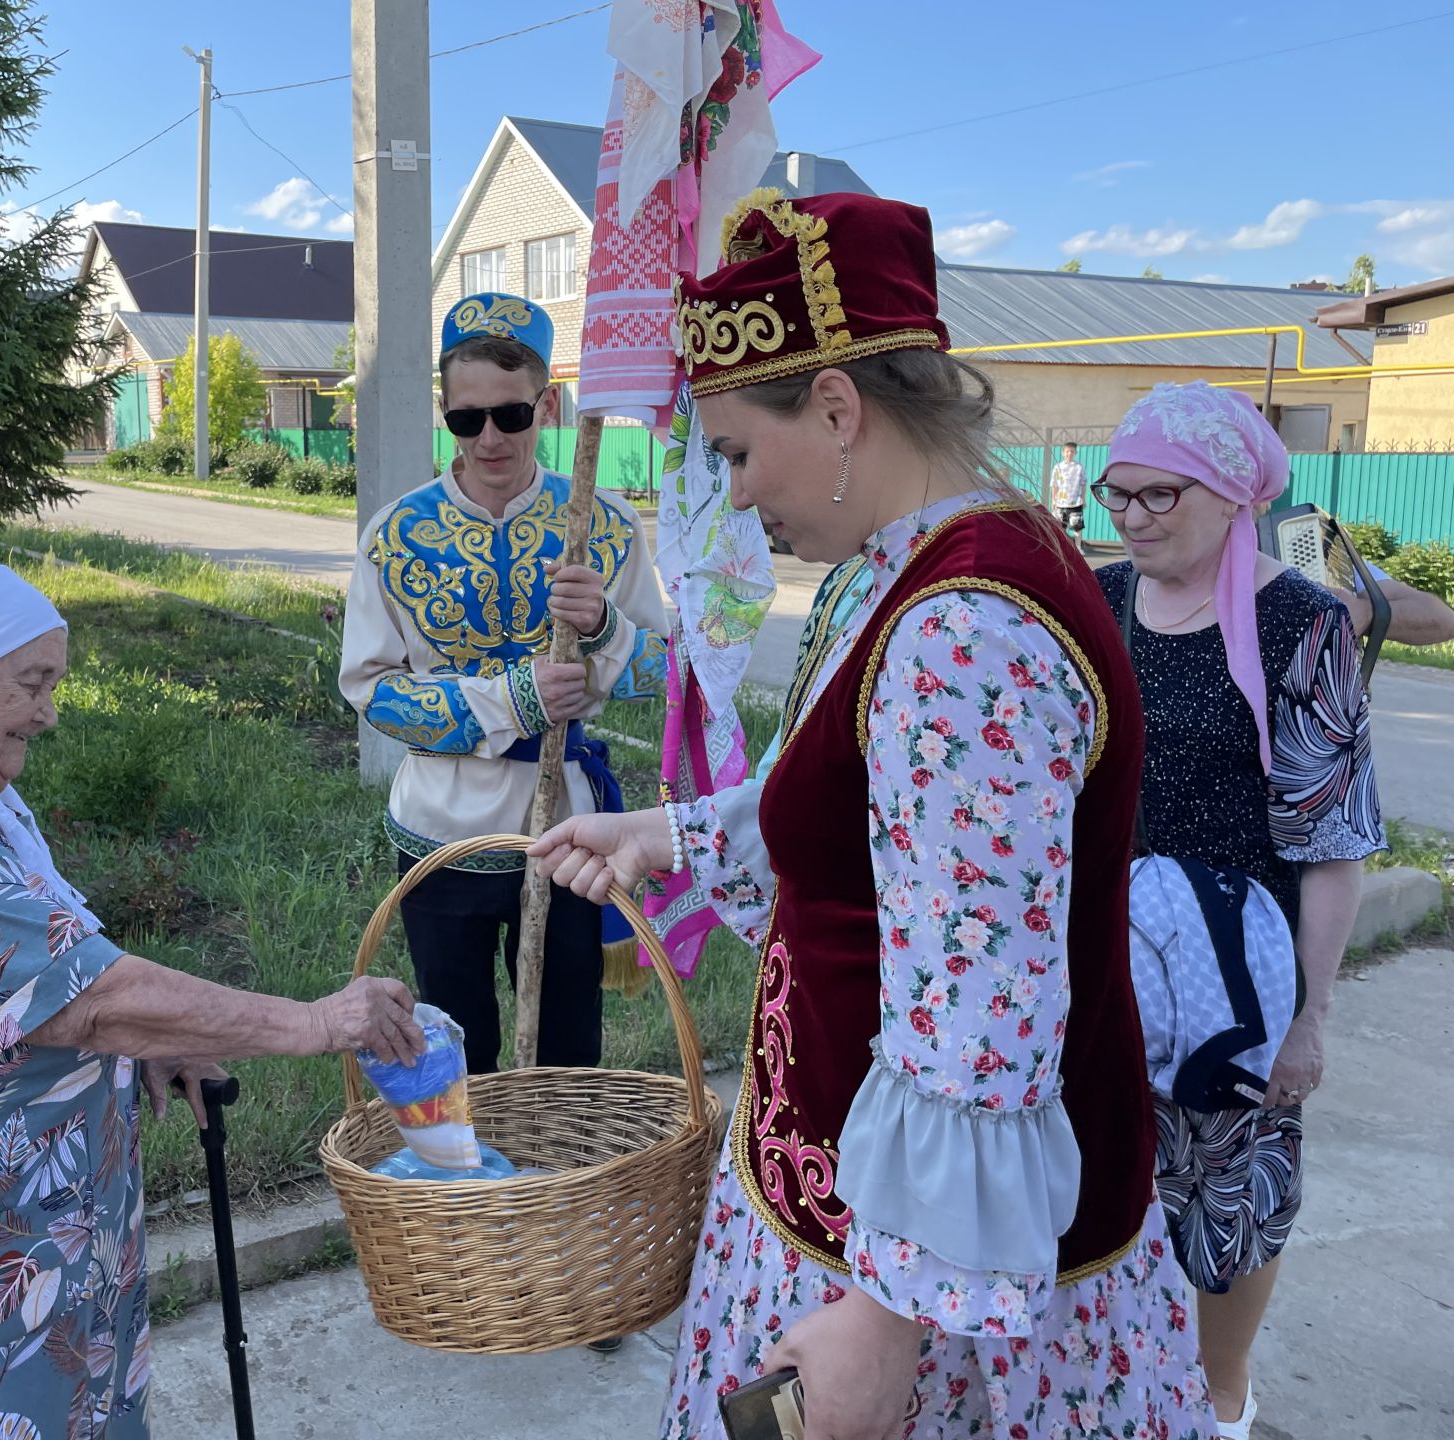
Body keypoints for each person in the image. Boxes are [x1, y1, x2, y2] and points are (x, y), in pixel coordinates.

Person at [533, 191, 1215, 1440]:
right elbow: (868, 816)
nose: (735, 498)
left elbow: (980, 1005)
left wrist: (889, 1315)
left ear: (839, 408)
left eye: (739, 452)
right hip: (851, 1185)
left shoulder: (964, 628)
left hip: (915, 1256)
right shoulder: (918, 564)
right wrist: (674, 835)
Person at [0, 548, 421, 1440]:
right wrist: (318, 1022)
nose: (48, 713)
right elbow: (88, 997)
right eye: (30, 682)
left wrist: (145, 1038)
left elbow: (21, 986)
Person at [1092, 382, 1382, 1439]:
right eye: (1114, 494)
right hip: (1101, 962)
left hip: (1236, 980)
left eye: (1156, 494)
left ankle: (1221, 1394)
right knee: (1104, 1178)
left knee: (1230, 1203)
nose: (1129, 515)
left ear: (1227, 493)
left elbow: (1335, 843)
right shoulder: (1101, 601)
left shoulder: (1301, 624)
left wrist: (1310, 1018)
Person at [338, 292, 666, 1077]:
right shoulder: (396, 534)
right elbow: (371, 688)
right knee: (455, 1049)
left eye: (511, 417)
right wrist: (511, 701)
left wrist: (603, 631)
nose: (489, 438)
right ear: (444, 411)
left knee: (563, 1049)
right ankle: (470, 1191)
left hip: (567, 835)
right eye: (466, 419)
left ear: (547, 406)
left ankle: (556, 1192)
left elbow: (666, 673)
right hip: (441, 834)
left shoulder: (605, 524)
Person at [1051, 440, 1087, 539]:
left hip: (1075, 502)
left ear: (1075, 453)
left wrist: (1083, 499)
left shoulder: (1079, 467)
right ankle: (1061, 549)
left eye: (1072, 451)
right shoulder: (1058, 467)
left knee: (1077, 528)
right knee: (1060, 528)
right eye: (1067, 451)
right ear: (1063, 453)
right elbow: (1054, 485)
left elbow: (1083, 484)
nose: (1069, 453)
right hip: (1060, 503)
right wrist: (1053, 500)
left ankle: (1078, 548)